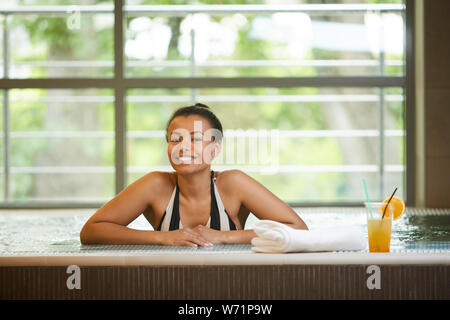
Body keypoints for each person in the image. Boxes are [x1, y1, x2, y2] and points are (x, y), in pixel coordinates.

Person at [80, 103, 308, 247]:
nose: (183, 147)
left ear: (215, 149)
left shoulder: (233, 184)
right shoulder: (156, 185)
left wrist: (222, 237)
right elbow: (91, 230)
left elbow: (298, 229)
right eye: (175, 139)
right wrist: (163, 238)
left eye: (196, 139)